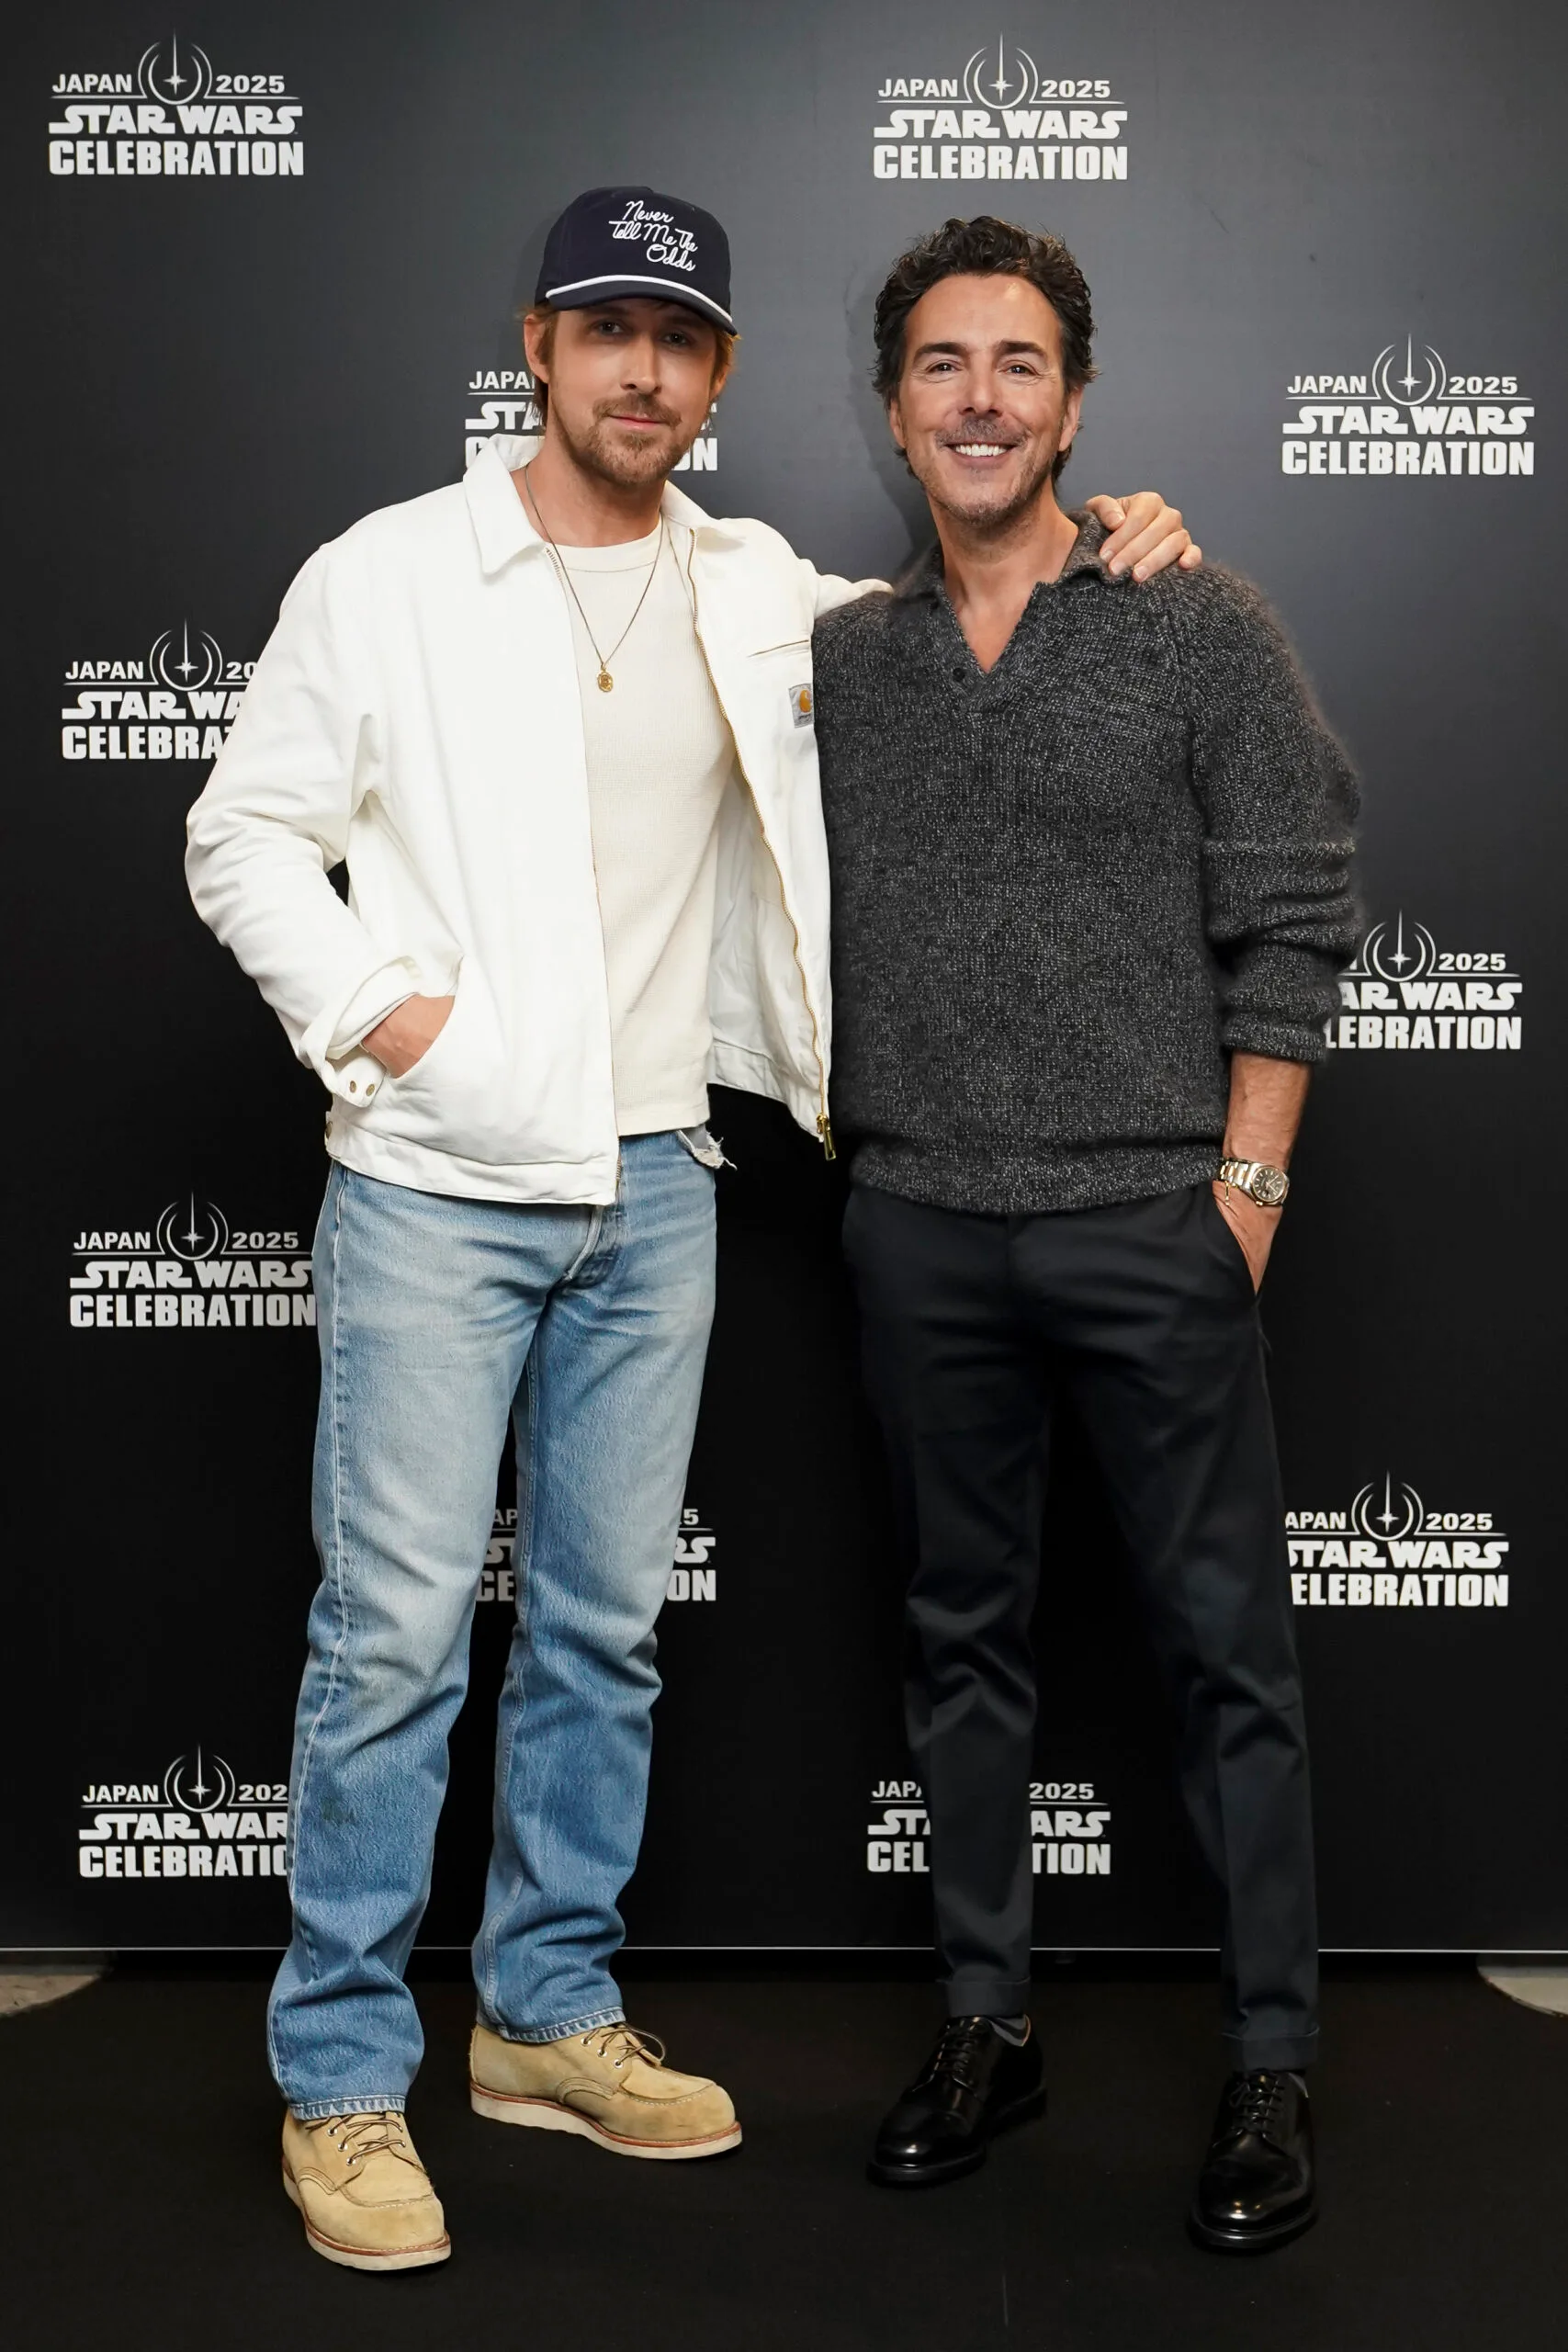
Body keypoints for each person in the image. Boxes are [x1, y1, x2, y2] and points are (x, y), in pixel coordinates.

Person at [186, 183, 1197, 2271]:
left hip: (659, 1180)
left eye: (682, 336)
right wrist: (399, 1022)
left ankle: (545, 2008)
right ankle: (344, 2073)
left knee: (598, 1632)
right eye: (606, 325)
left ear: (719, 377)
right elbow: (244, 833)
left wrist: (1116, 540)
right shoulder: (389, 575)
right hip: (442, 1178)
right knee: (388, 1643)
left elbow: (960, 606)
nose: (643, 366)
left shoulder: (753, 589)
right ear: (538, 344)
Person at [814, 215, 1359, 2253]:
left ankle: (1273, 2053)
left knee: (1228, 1658)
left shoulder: (1189, 613)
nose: (979, 396)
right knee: (961, 1648)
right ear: (891, 407)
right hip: (918, 1225)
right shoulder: (838, 656)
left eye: (1019, 362)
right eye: (943, 363)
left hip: (1151, 1216)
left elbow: (1296, 900)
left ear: (1074, 400)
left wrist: (1245, 1186)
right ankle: (986, 2020)